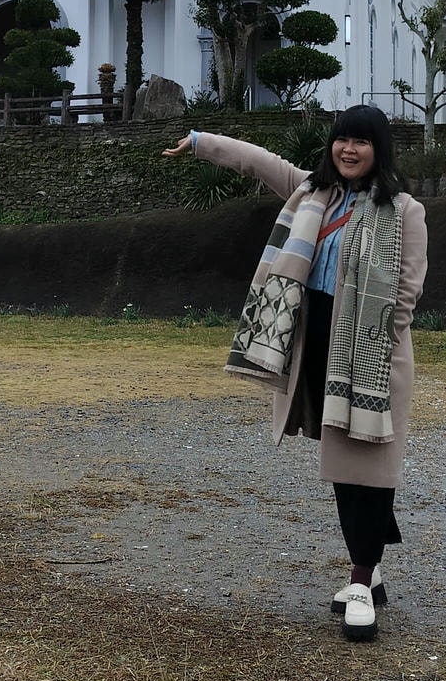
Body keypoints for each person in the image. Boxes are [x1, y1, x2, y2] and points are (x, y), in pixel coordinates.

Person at [163, 105, 427, 640]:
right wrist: (198, 141)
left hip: (370, 354)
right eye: (341, 140)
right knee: (345, 461)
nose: (348, 150)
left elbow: (406, 293)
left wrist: (372, 342)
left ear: (380, 150)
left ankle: (359, 580)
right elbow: (259, 162)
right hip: (316, 344)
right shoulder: (311, 193)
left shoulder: (404, 211)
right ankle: (369, 569)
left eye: (361, 142)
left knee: (366, 466)